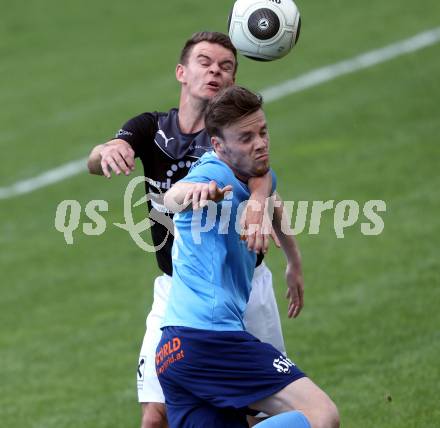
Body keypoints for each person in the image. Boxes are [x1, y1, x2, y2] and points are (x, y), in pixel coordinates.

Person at [87, 32, 304, 428]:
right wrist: (105, 150)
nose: (215, 71)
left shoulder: (230, 139)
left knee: (257, 412)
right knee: (155, 415)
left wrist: (282, 244)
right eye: (205, 62)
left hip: (242, 287)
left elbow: (263, 179)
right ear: (181, 72)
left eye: (226, 67)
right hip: (177, 291)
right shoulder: (151, 128)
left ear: (233, 82)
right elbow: (96, 158)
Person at [159, 85, 340, 428]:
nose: (259, 143)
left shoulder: (250, 169)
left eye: (263, 131)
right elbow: (173, 197)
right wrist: (193, 192)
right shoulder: (212, 175)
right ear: (218, 146)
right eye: (245, 138)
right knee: (321, 416)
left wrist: (294, 261)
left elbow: (267, 183)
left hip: (175, 351)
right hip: (211, 340)